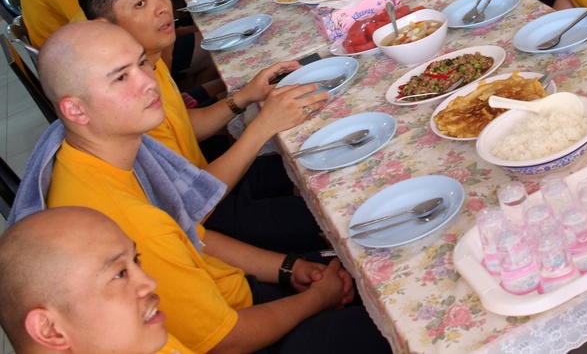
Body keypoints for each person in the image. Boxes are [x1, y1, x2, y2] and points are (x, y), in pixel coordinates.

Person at [12, 21, 390, 354]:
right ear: (75, 110)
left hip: (235, 289)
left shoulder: (90, 155)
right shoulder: (124, 221)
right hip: (245, 330)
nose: (147, 81)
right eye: (121, 77)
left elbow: (190, 233)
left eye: (142, 63)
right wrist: (315, 300)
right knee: (383, 293)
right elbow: (227, 340)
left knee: (356, 247)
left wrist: (287, 267)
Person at [76, 0, 329, 253]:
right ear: (106, 24)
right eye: (140, 3)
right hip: (207, 218)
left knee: (318, 160)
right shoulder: (128, 100)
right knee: (330, 215)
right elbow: (193, 202)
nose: (162, 9)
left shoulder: (147, 59)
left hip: (207, 176)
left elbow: (185, 127)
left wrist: (245, 96)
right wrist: (263, 125)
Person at [0, 207, 195, 354]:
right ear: (51, 329)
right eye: (120, 274)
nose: (150, 283)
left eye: (136, 259)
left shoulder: (136, 343)